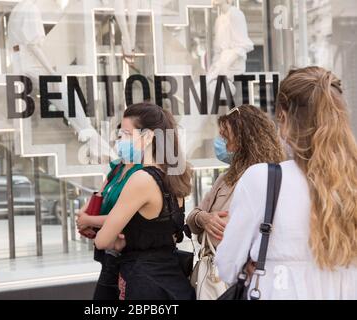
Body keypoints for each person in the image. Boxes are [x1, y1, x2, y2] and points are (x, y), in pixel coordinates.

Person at [216, 66, 357, 299]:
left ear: (283, 118)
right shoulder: (350, 180)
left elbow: (227, 265)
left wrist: (253, 263)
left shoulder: (264, 179)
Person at [94, 102, 195, 300]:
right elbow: (168, 234)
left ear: (148, 136)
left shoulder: (141, 179)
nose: (121, 140)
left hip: (144, 284)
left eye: (126, 134)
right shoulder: (176, 175)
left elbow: (102, 240)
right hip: (174, 282)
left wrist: (121, 240)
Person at [187, 105, 285, 248]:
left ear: (244, 139)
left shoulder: (271, 178)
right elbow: (193, 215)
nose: (220, 141)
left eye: (225, 135)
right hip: (213, 265)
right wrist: (203, 218)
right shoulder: (225, 178)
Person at [76, 124, 143, 300]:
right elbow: (100, 194)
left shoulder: (143, 173)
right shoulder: (117, 168)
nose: (120, 141)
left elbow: (126, 216)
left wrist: (89, 220)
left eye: (127, 135)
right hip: (110, 253)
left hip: (129, 254)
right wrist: (84, 216)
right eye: (119, 136)